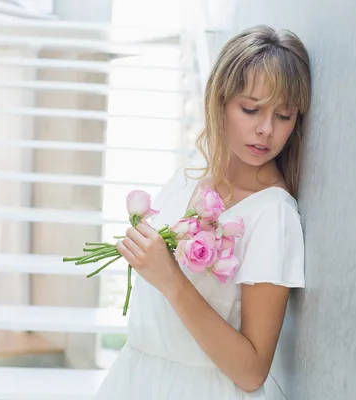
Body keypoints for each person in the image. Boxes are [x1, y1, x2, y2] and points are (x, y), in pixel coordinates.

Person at [97, 25, 311, 399]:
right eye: (251, 109)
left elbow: (251, 372)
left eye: (284, 115)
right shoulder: (188, 176)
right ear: (220, 101)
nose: (266, 130)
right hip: (137, 379)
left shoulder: (273, 214)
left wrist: (171, 280)